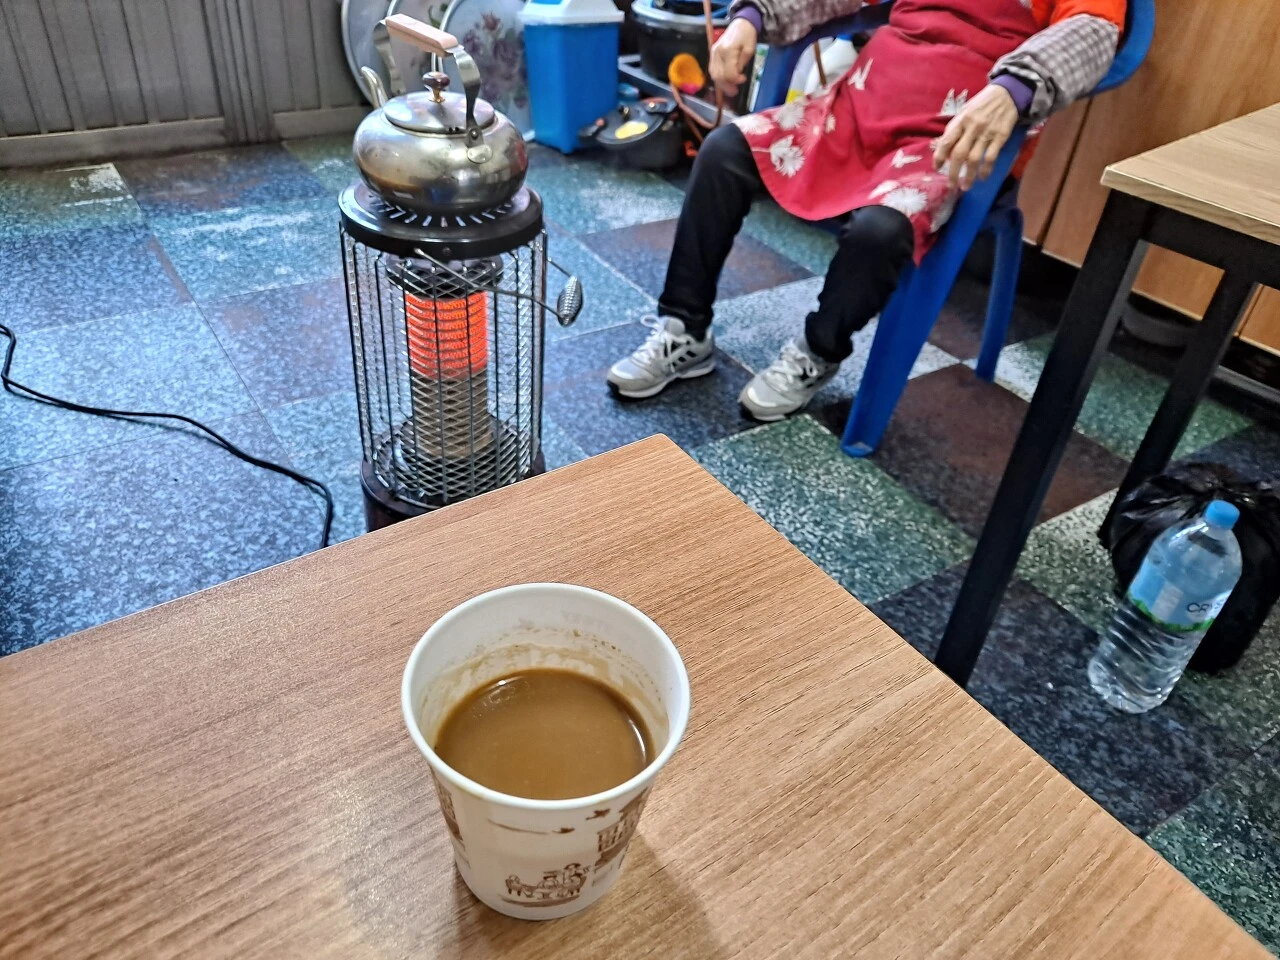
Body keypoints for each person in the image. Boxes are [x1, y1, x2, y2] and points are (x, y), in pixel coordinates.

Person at [607, 0, 1127, 421]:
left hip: (952, 139)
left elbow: (1093, 30)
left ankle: (818, 351)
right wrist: (752, 16)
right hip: (862, 104)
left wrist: (1014, 88)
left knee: (882, 230)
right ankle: (684, 329)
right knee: (723, 152)